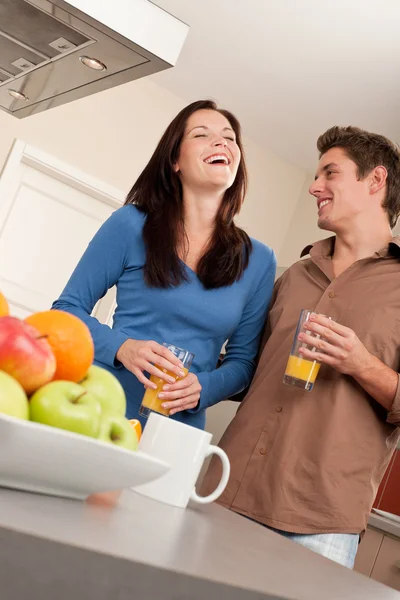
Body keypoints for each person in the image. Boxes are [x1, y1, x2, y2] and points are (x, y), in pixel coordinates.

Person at [201, 125, 400, 568]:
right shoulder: (293, 275)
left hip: (319, 520)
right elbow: (246, 369)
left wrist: (361, 363)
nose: (314, 187)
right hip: (228, 489)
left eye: (330, 173)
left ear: (376, 181)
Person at [52, 99, 276, 429]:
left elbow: (243, 362)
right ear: (175, 160)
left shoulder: (258, 260)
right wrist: (122, 347)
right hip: (102, 407)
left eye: (229, 137)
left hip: (177, 429)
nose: (221, 142)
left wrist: (205, 388)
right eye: (202, 135)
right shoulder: (130, 224)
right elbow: (66, 310)